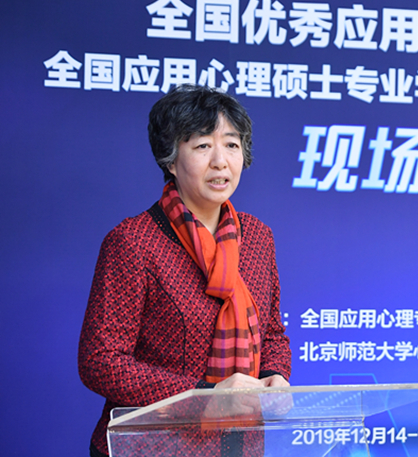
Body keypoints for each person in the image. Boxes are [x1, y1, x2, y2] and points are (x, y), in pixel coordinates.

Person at [79, 85, 291, 457]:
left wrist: (275, 375)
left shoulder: (258, 237)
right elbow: (101, 362)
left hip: (239, 444)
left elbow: (271, 333)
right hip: (152, 447)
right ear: (171, 160)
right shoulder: (133, 242)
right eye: (202, 145)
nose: (221, 161)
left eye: (232, 144)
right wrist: (204, 396)